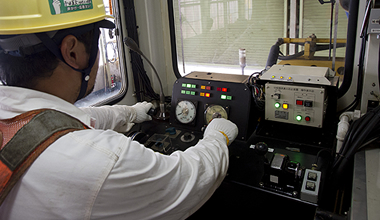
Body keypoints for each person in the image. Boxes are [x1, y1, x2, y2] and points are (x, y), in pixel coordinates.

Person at [0, 1, 238, 219]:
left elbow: (56, 124)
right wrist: (218, 136)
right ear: (72, 51)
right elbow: (188, 180)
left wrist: (130, 113)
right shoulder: (103, 162)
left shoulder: (16, 117)